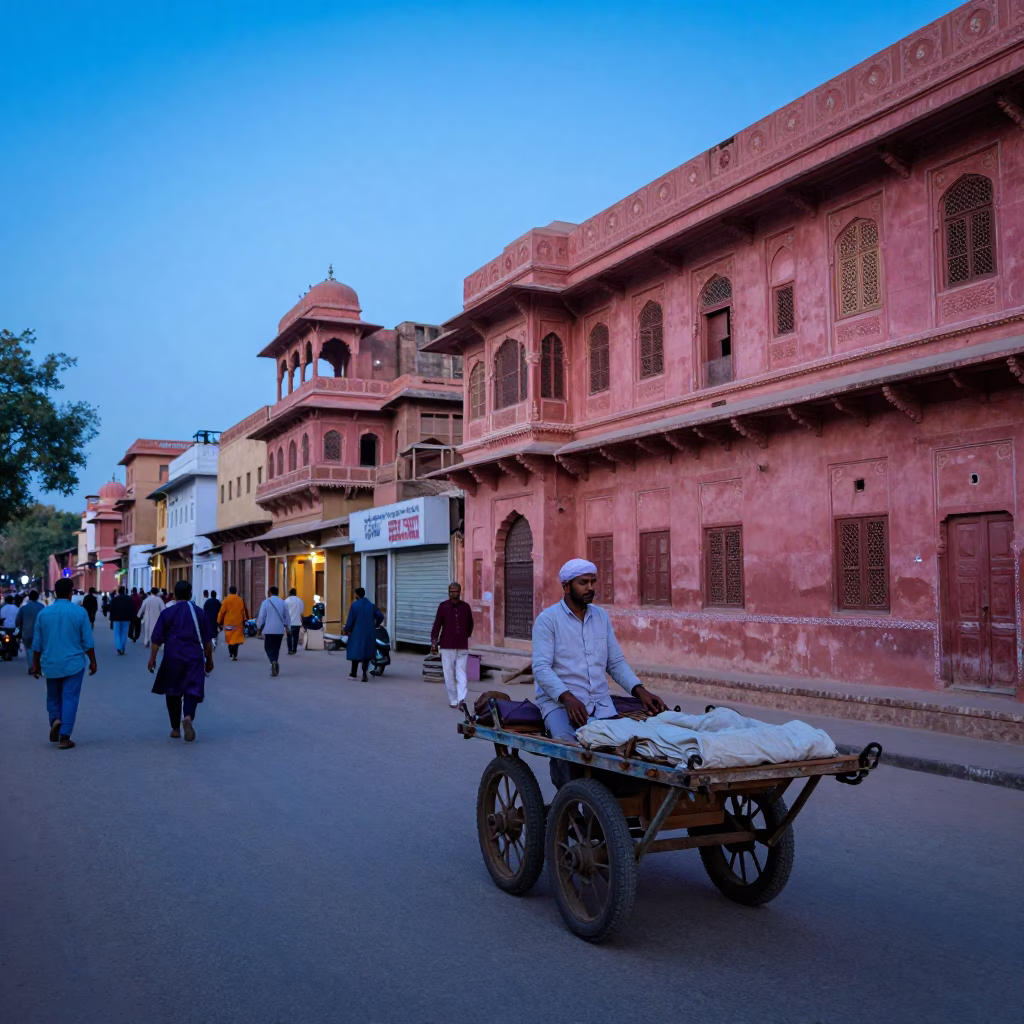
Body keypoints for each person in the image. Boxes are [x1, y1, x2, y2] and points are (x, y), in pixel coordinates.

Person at [533, 558, 666, 747]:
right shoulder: (547, 620)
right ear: (566, 586)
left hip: (600, 705)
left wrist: (640, 691)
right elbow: (541, 668)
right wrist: (568, 698)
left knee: (623, 752)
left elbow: (615, 663)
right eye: (583, 583)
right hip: (560, 705)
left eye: (592, 582)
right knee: (568, 750)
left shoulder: (601, 617)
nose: (590, 588)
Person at [31, 577, 97, 749]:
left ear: (54, 593)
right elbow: (87, 642)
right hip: (73, 663)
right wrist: (93, 661)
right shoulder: (80, 612)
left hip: (50, 663)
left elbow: (37, 644)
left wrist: (35, 665)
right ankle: (65, 736)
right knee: (70, 697)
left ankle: (55, 719)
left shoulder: (43, 614)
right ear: (71, 593)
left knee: (53, 696)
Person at [147, 580, 214, 742]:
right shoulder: (199, 613)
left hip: (172, 657)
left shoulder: (168, 613)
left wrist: (152, 658)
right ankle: (188, 717)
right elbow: (207, 642)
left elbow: (156, 638)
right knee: (192, 688)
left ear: (174, 595)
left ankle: (175, 728)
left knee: (173, 690)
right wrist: (209, 661)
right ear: (190, 594)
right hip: (194, 657)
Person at [430, 582, 475, 710]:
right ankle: (453, 699)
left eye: (456, 591)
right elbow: (437, 625)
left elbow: (470, 624)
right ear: (448, 592)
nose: (454, 594)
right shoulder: (443, 606)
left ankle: (461, 700)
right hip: (446, 646)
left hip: (462, 646)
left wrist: (465, 635)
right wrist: (434, 641)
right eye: (452, 591)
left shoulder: (466, 607)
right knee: (448, 674)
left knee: (461, 673)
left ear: (460, 592)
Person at [343, 587, 383, 682]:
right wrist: (376, 624)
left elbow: (350, 620)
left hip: (357, 633)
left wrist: (346, 629)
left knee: (355, 653)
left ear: (357, 595)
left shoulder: (355, 605)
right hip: (369, 633)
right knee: (366, 653)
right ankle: (364, 674)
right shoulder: (371, 605)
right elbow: (380, 616)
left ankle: (353, 674)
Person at [256, 586, 290, 677]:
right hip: (279, 630)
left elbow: (261, 616)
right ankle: (274, 662)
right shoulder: (283, 603)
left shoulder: (266, 602)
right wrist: (288, 628)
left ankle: (273, 662)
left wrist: (259, 628)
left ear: (270, 592)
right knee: (276, 648)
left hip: (269, 630)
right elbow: (287, 617)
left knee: (267, 647)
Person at [15, 590, 44, 673]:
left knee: (28, 649)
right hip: (40, 632)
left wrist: (18, 630)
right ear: (38, 597)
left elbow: (17, 621)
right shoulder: (42, 607)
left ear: (29, 597)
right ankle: (38, 667)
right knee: (39, 649)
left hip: (26, 633)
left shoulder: (23, 608)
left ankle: (31, 667)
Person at [217, 586, 247, 661]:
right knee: (236, 640)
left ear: (229, 591)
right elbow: (243, 611)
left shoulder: (226, 600)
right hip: (238, 623)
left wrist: (218, 621)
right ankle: (235, 655)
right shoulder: (240, 600)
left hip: (228, 623)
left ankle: (231, 653)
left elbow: (221, 612)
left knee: (229, 639)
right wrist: (245, 620)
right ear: (236, 591)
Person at [108, 586, 135, 655]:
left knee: (117, 633)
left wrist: (111, 620)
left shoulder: (114, 599)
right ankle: (122, 648)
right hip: (126, 619)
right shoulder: (129, 599)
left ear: (118, 591)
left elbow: (111, 610)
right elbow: (132, 609)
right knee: (124, 633)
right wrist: (131, 618)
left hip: (116, 619)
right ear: (125, 591)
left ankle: (118, 647)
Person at [284, 588, 305, 655]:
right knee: (295, 637)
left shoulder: (286, 601)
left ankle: (290, 650)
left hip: (289, 622)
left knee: (289, 636)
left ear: (290, 593)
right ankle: (294, 649)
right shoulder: (300, 601)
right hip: (297, 622)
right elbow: (301, 611)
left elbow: (284, 612)